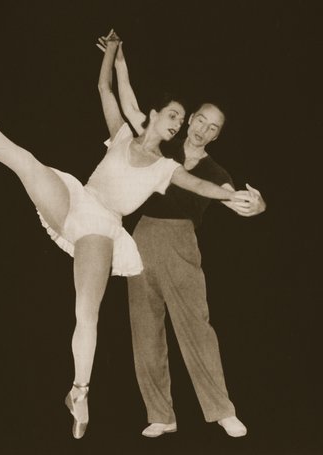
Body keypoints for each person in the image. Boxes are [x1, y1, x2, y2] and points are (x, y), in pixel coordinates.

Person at [0, 32, 251, 439]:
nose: (178, 125)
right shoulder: (120, 134)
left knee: (86, 311)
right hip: (76, 198)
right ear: (152, 114)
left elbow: (204, 187)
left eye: (181, 121)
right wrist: (114, 53)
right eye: (174, 116)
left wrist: (235, 195)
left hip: (101, 226)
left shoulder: (164, 169)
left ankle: (79, 392)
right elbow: (105, 88)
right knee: (26, 163)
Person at [97, 33, 266, 438]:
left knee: (196, 325)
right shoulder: (163, 142)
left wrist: (258, 205)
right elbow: (131, 104)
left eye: (213, 129)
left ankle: (222, 409)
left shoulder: (216, 172)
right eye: (200, 122)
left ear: (216, 136)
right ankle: (161, 415)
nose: (204, 131)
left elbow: (235, 201)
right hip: (139, 240)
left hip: (181, 244)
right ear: (187, 120)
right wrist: (119, 62)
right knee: (145, 328)